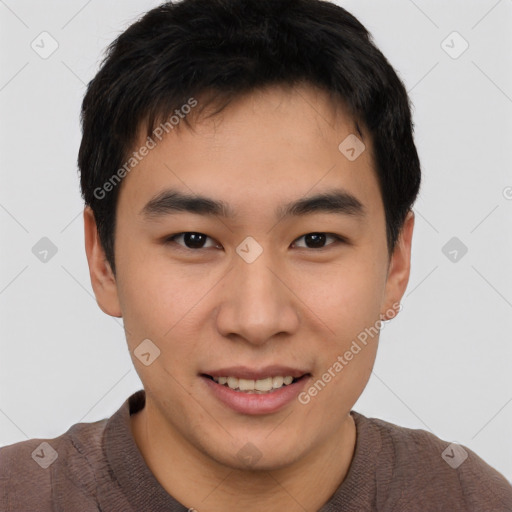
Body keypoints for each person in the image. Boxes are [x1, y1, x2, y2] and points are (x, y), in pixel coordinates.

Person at [1, 0, 511, 510]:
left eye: (315, 240)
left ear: (396, 262)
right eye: (194, 240)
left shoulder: (469, 498)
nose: (257, 319)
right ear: (103, 261)